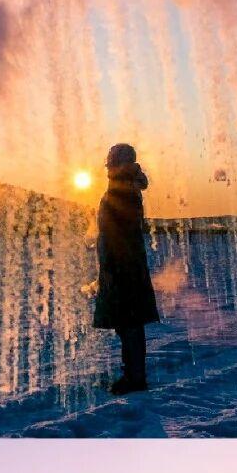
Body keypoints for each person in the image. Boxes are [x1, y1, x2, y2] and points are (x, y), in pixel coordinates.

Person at [93, 142, 159, 394]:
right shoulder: (124, 186)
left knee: (129, 321)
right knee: (127, 321)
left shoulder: (123, 188)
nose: (107, 163)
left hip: (123, 264)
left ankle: (135, 377)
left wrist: (112, 264)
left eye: (111, 158)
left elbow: (117, 231)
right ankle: (132, 373)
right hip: (123, 262)